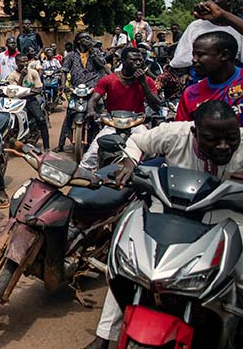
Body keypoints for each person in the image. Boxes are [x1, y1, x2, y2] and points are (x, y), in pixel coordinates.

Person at [85, 100, 243, 349]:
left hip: (226, 214)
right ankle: (104, 336)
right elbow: (137, 142)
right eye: (213, 139)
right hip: (171, 208)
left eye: (231, 138)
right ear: (195, 132)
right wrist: (130, 163)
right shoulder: (175, 133)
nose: (224, 146)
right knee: (131, 262)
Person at [78, 47, 161, 170]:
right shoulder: (108, 80)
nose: (138, 63)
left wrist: (143, 84)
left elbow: (156, 105)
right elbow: (94, 99)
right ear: (123, 61)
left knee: (151, 152)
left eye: (140, 60)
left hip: (136, 123)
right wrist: (91, 111)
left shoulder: (147, 81)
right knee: (91, 156)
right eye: (133, 60)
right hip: (112, 123)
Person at [56, 32, 110, 152]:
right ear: (78, 41)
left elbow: (101, 65)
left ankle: (104, 137)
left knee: (100, 108)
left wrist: (92, 51)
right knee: (70, 113)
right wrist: (63, 85)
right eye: (84, 38)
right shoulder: (71, 55)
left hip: (94, 87)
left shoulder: (96, 52)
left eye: (89, 38)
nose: (87, 40)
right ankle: (61, 144)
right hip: (77, 89)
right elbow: (64, 70)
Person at [170, 0, 243, 70]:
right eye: (206, 0)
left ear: (229, 1)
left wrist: (223, 15)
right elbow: (182, 59)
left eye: (213, 0)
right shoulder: (196, 26)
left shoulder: (238, 25)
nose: (208, 4)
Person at [175, 31, 243, 125]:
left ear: (224, 55)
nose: (194, 60)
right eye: (193, 54)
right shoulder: (190, 94)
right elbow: (182, 133)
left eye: (200, 55)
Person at [7, 54, 49, 149]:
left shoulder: (33, 72)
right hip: (17, 101)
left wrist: (24, 94)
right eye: (22, 61)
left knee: (41, 120)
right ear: (16, 63)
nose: (25, 63)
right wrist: (22, 76)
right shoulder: (12, 76)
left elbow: (38, 89)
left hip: (30, 100)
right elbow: (15, 90)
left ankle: (47, 147)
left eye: (26, 61)